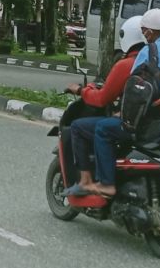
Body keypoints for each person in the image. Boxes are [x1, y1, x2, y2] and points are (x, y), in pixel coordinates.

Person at [84, 7, 160, 198]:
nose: (143, 35)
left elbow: (136, 92)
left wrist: (123, 115)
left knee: (103, 129)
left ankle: (106, 184)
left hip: (159, 128)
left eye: (143, 31)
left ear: (149, 32)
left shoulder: (148, 52)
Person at [62, 16, 147, 197]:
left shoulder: (126, 65)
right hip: (156, 124)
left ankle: (92, 181)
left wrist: (80, 91)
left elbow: (101, 99)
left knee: (81, 127)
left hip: (134, 126)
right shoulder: (159, 61)